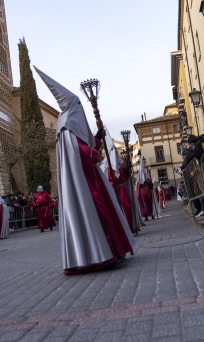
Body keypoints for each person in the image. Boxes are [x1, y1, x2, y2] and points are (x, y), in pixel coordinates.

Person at [35, 67, 134, 275]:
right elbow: (78, 152)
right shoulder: (66, 125)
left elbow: (90, 148)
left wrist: (97, 136)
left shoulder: (69, 124)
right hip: (83, 183)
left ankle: (113, 251)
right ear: (73, 105)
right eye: (78, 104)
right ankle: (98, 257)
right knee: (96, 212)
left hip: (89, 178)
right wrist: (91, 152)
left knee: (104, 211)